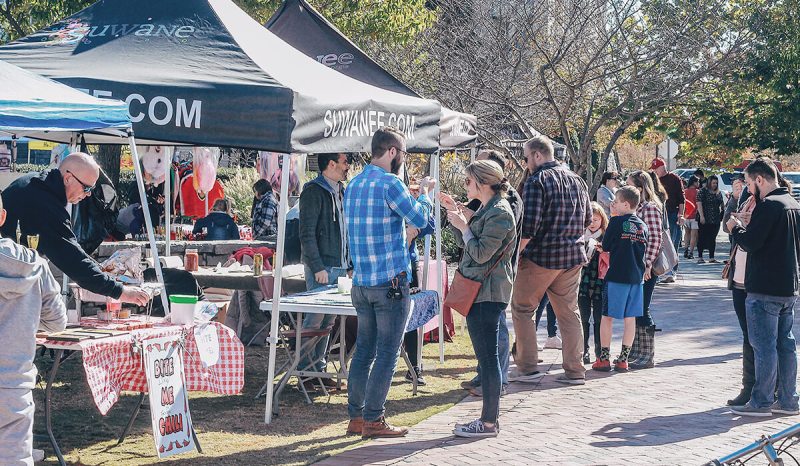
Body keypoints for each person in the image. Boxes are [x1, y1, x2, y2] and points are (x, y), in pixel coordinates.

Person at [343, 127, 435, 438]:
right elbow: (422, 222)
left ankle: (356, 417)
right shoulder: (390, 183)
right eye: (404, 154)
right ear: (393, 152)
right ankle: (373, 418)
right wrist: (425, 194)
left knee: (364, 349)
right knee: (387, 351)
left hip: (362, 282)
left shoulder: (353, 184)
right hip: (390, 282)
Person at [0, 153, 149, 306]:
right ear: (68, 178)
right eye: (86, 187)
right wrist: (120, 291)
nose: (88, 194)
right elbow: (72, 259)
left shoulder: (35, 183)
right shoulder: (45, 204)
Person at [510, 135, 592, 386]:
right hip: (572, 257)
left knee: (523, 309)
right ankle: (575, 370)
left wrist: (515, 255)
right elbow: (588, 219)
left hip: (541, 257)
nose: (525, 163)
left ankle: (527, 367)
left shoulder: (537, 181)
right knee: (569, 313)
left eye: (525, 158)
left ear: (537, 155)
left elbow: (529, 227)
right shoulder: (577, 180)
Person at [445, 160, 516, 438]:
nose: (465, 185)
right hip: (482, 290)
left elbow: (481, 252)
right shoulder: (489, 207)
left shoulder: (500, 211)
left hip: (488, 292)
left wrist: (464, 226)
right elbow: (469, 243)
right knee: (486, 358)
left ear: (482, 182)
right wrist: (457, 217)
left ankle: (488, 423)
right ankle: (488, 421)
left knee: (488, 360)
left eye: (467, 181)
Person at [728, 158, 800, 417]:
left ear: (760, 180)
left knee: (764, 345)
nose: (748, 189)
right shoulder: (792, 203)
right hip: (787, 285)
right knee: (785, 344)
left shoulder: (769, 205)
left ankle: (761, 401)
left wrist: (735, 228)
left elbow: (751, 243)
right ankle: (789, 399)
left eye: (749, 183)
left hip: (764, 286)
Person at [0, 194, 67, 466]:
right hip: (14, 383)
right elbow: (57, 322)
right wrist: (24, 321)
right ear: (3, 218)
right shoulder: (35, 263)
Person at [297, 152, 351, 390]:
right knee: (315, 319)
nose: (348, 166)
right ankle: (304, 372)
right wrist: (317, 266)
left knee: (328, 322)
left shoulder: (341, 190)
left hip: (339, 265)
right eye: (344, 161)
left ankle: (317, 370)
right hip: (322, 266)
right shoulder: (312, 191)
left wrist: (349, 265)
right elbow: (306, 233)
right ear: (331, 164)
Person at [592, 186, 648, 372]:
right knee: (629, 318)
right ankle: (623, 359)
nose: (612, 204)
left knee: (607, 317)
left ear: (625, 204)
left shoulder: (616, 223)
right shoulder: (642, 225)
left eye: (615, 201)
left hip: (617, 276)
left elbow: (606, 246)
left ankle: (604, 358)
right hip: (636, 278)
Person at [625, 171, 663, 369]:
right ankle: (636, 351)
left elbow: (656, 238)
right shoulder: (635, 208)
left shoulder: (650, 208)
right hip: (634, 265)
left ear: (640, 189)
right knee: (635, 309)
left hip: (645, 267)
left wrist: (647, 264)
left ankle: (647, 355)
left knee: (643, 309)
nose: (625, 186)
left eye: (629, 184)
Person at [725, 183, 756, 406]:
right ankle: (749, 386)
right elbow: (730, 228)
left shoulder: (769, 205)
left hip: (757, 282)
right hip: (739, 279)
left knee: (762, 339)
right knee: (748, 336)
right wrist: (735, 223)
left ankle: (766, 388)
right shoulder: (746, 199)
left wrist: (740, 227)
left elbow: (754, 240)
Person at [580, 202, 609, 364]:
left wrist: (603, 250)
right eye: (590, 219)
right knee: (583, 317)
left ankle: (599, 350)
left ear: (602, 220)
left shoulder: (605, 236)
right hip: (582, 281)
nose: (592, 223)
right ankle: (584, 350)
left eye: (596, 219)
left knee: (599, 318)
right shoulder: (580, 235)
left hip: (599, 281)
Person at [651, 158, 685, 283]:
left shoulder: (675, 179)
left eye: (656, 168)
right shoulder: (654, 179)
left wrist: (681, 215)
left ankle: (672, 271)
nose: (655, 171)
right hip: (658, 214)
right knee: (660, 243)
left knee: (673, 242)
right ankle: (661, 269)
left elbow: (681, 199)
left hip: (672, 213)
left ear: (663, 167)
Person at [696, 175, 724, 263]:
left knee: (712, 238)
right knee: (702, 237)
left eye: (716, 183)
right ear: (709, 183)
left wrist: (723, 212)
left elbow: (721, 203)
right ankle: (700, 257)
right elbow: (699, 203)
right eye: (713, 183)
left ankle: (711, 257)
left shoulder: (718, 192)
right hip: (705, 217)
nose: (715, 185)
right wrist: (702, 216)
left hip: (715, 218)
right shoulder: (703, 191)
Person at [683, 176, 700, 259]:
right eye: (697, 182)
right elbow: (699, 204)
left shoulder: (684, 192)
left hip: (686, 215)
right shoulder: (697, 192)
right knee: (694, 235)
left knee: (687, 233)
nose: (698, 183)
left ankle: (685, 249)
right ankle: (691, 252)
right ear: (694, 182)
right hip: (695, 216)